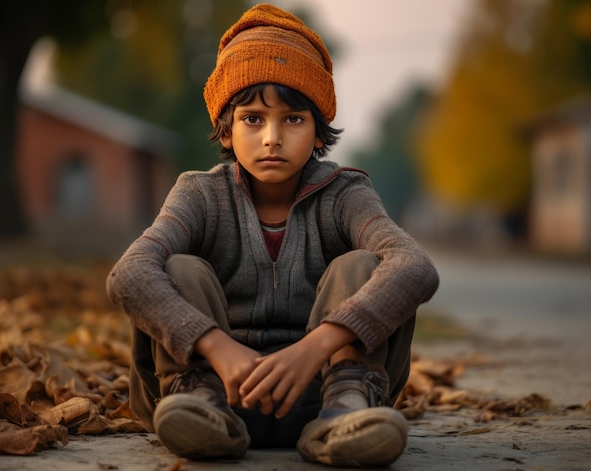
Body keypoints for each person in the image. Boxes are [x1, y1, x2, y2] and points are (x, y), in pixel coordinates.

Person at [107, 3, 439, 467]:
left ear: (319, 132)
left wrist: (317, 346)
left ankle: (346, 413)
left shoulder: (346, 194)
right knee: (177, 267)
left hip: (325, 393)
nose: (272, 138)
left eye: (294, 119)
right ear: (226, 130)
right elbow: (128, 274)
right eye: (253, 119)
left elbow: (415, 266)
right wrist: (217, 348)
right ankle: (203, 410)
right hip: (213, 392)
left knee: (363, 265)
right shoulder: (199, 195)